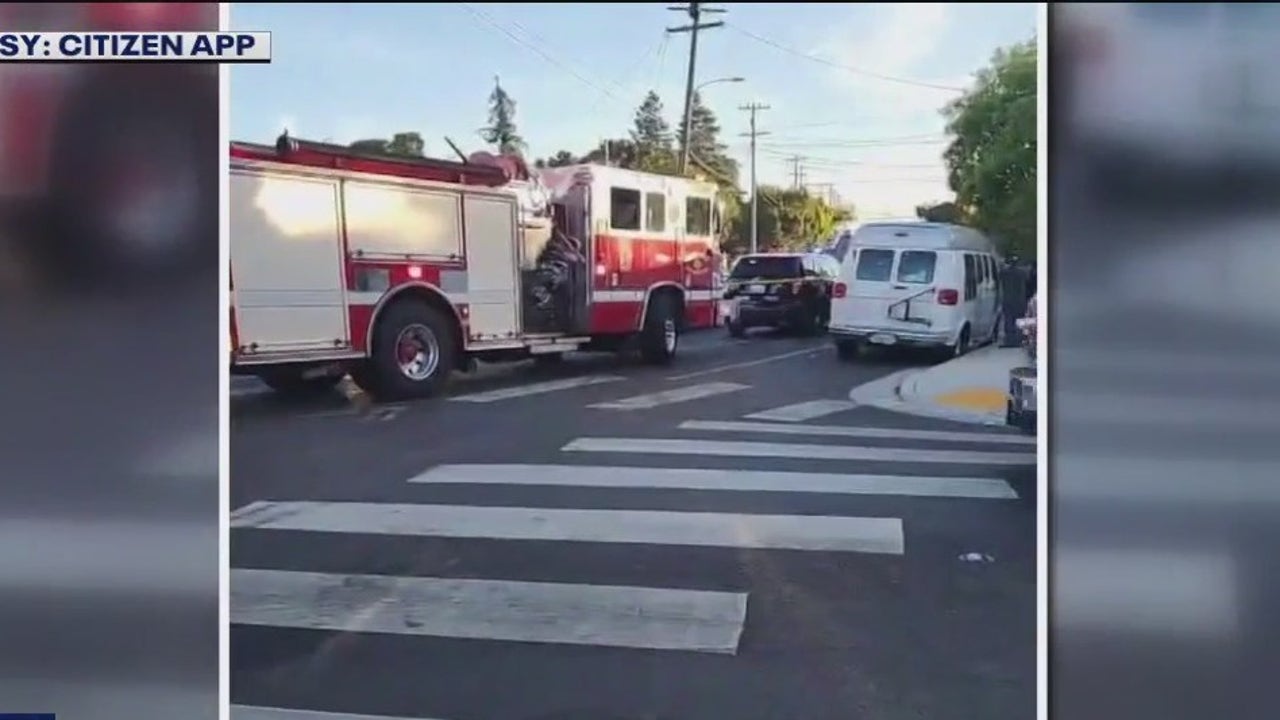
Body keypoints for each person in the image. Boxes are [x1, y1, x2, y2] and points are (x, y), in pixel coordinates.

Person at [998, 255, 1029, 347]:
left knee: (1008, 321)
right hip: (1020, 300)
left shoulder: (1004, 273)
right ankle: (1019, 340)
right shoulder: (1022, 273)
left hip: (1007, 300)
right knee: (1019, 321)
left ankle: (1009, 340)